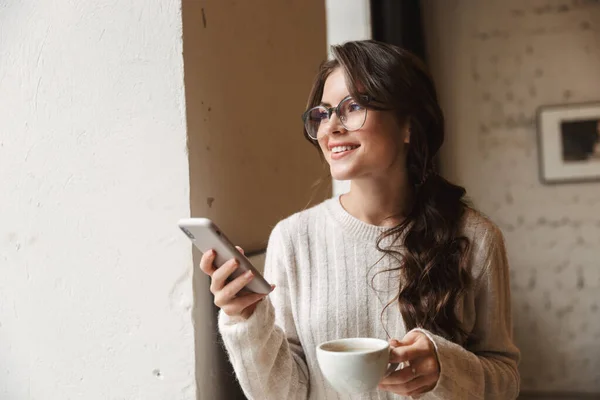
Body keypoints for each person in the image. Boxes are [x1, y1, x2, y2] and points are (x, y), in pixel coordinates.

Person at [200, 40, 520, 399]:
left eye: (352, 107)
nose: (331, 127)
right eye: (322, 113)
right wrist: (245, 320)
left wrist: (445, 369)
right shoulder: (293, 239)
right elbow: (284, 394)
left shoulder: (475, 237)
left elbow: (505, 378)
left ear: (407, 127)